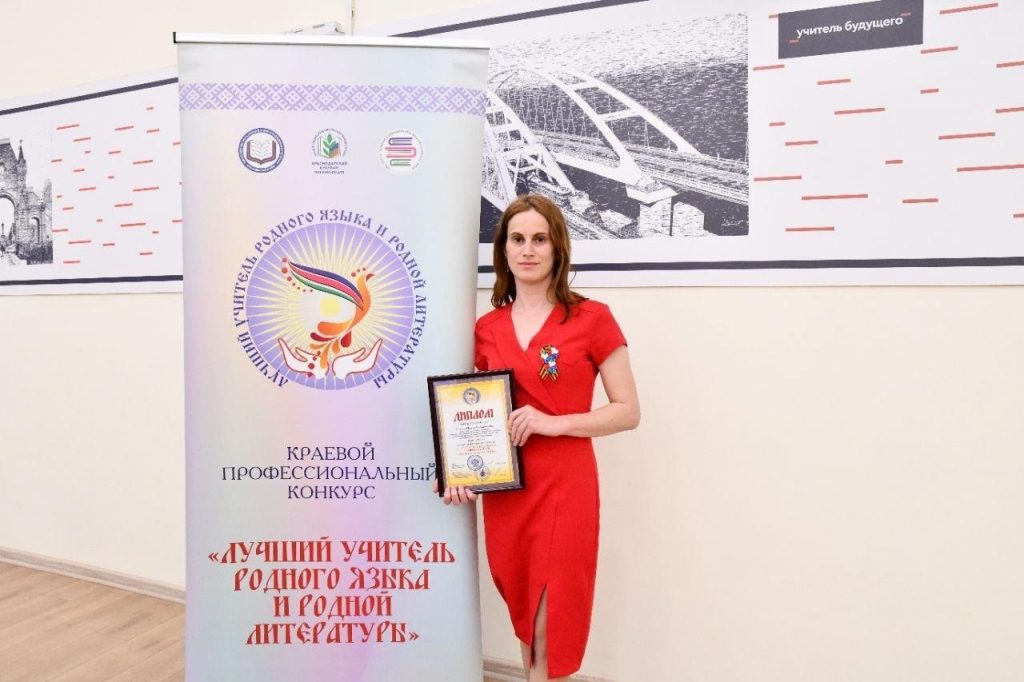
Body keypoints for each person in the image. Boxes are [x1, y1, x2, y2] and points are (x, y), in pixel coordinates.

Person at [439, 194, 640, 681]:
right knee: (527, 616)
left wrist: (556, 422)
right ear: (504, 250)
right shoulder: (484, 329)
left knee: (552, 621)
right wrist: (458, 470)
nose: (528, 249)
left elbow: (628, 411)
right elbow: (472, 411)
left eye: (539, 239)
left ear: (557, 248)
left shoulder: (592, 318)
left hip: (565, 485)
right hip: (509, 492)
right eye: (517, 239)